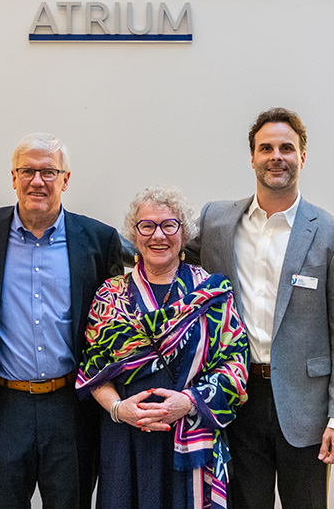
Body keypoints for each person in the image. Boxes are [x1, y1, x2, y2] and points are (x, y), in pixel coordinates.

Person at [184, 107, 334, 509]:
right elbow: (166, 255)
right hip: (237, 397)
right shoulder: (216, 221)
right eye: (266, 148)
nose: (276, 156)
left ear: (303, 156)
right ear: (252, 158)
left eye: (287, 147)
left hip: (307, 408)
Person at [0, 132, 123, 508]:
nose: (37, 181)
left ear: (65, 179)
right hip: (3, 407)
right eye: (28, 171)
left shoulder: (99, 240)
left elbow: (113, 327)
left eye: (48, 172)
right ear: (13, 177)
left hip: (71, 406)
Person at [76, 186, 248, 509]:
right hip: (127, 438)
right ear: (135, 235)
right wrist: (118, 409)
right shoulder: (110, 295)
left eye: (169, 225)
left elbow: (236, 365)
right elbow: (92, 369)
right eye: (147, 226)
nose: (159, 235)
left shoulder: (210, 292)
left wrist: (188, 402)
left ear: (183, 234)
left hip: (191, 437)